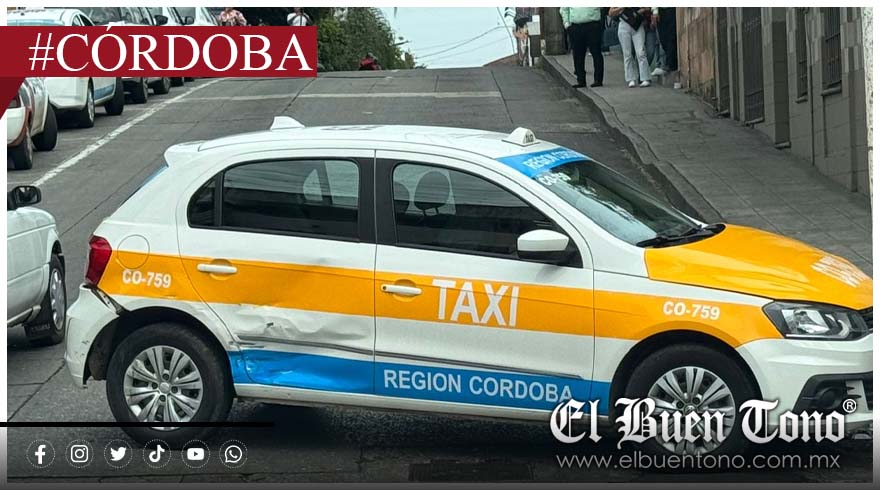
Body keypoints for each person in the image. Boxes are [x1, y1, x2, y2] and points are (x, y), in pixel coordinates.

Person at [560, 7, 604, 88]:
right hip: (576, 26)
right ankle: (581, 80)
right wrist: (567, 24)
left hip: (592, 24)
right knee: (578, 54)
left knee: (596, 52)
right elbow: (564, 9)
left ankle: (598, 80)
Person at [609, 7, 651, 88]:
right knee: (627, 54)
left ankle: (645, 78)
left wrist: (638, 12)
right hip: (624, 23)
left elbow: (647, 8)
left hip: (637, 24)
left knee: (641, 52)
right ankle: (630, 79)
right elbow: (611, 12)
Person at [652, 7, 678, 74]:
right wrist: (655, 12)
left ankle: (671, 64)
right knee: (663, 39)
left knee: (671, 37)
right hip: (661, 11)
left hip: (671, 9)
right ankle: (671, 63)